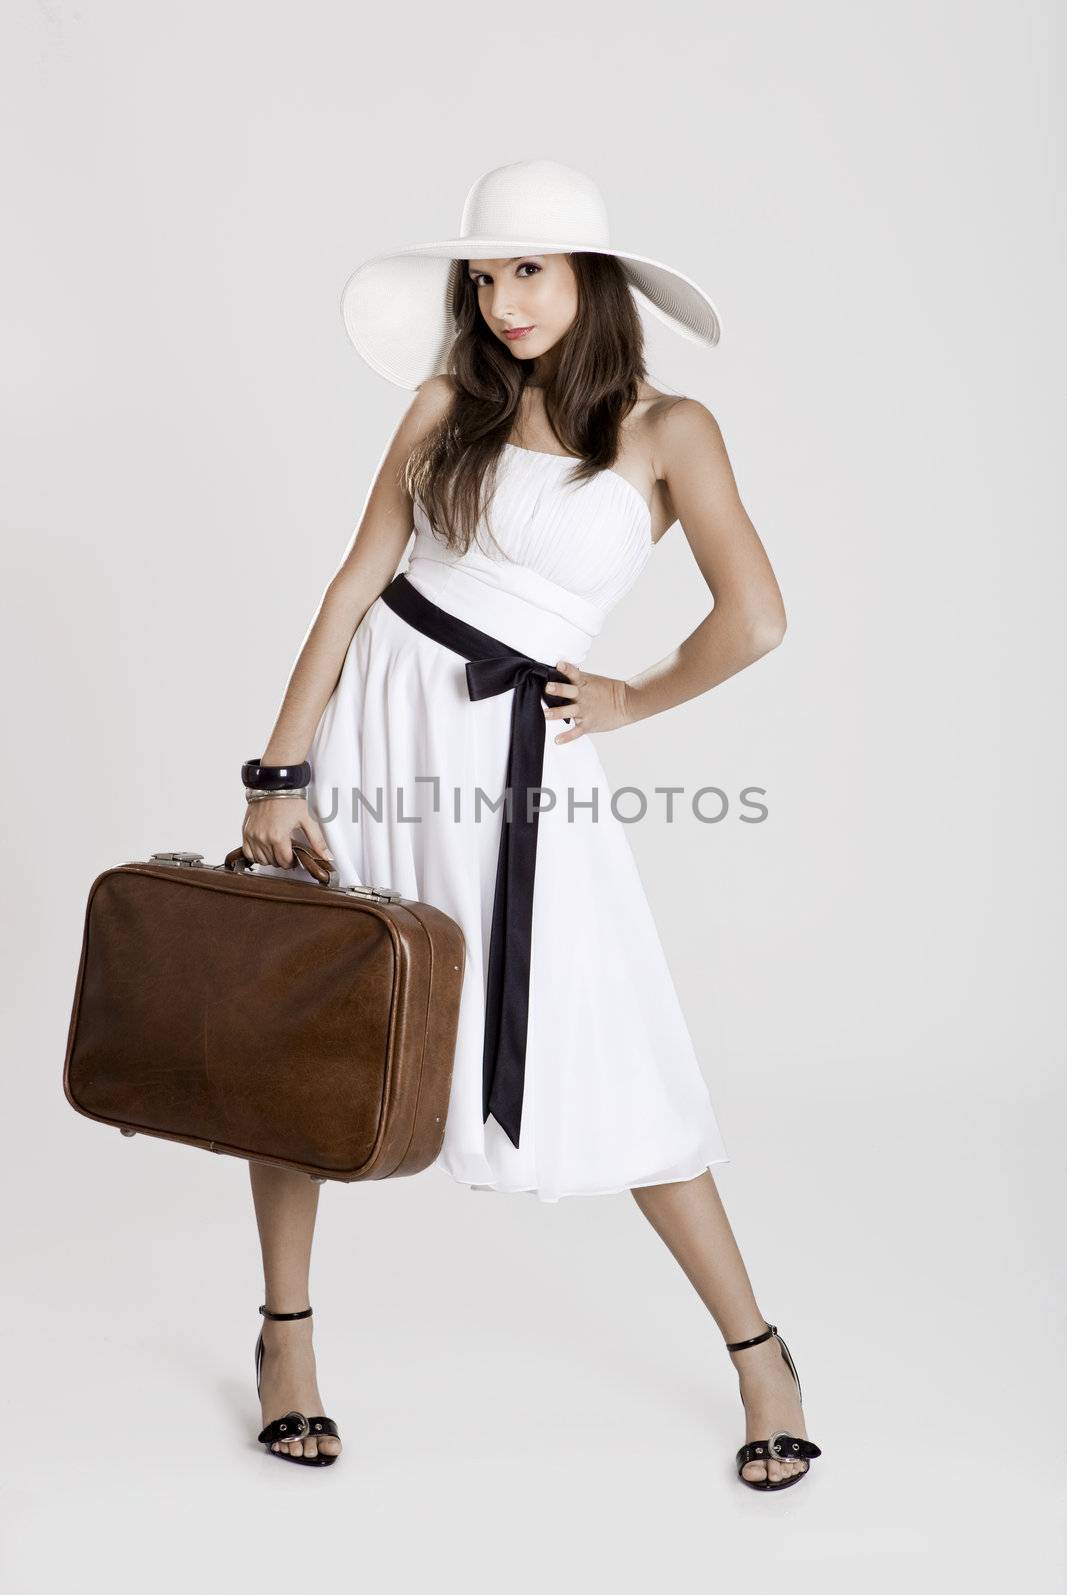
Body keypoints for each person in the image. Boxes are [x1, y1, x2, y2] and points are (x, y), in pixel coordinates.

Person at [241, 159, 822, 1489]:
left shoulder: (672, 432)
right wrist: (279, 770)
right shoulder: (443, 403)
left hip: (518, 763)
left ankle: (758, 1353)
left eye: (531, 270)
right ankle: (287, 1339)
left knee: (600, 1029)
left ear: (592, 282)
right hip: (380, 725)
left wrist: (635, 697)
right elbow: (354, 584)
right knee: (316, 1027)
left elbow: (757, 618)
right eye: (487, 274)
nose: (505, 299)